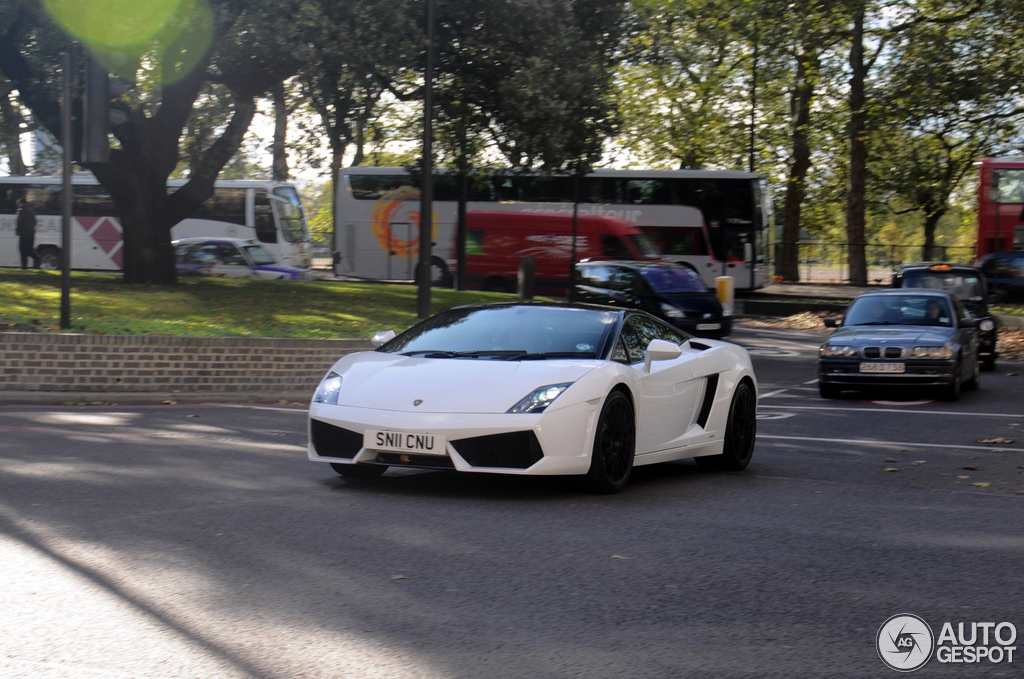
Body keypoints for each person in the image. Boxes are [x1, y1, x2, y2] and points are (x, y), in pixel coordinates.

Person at [15, 197, 38, 269]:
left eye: (18, 203)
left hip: (24, 233)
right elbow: (35, 222)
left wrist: (17, 231)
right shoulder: (31, 210)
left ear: (20, 203)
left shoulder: (21, 211)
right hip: (31, 233)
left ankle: (24, 266)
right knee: (29, 249)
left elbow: (19, 223)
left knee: (22, 250)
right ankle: (37, 259)